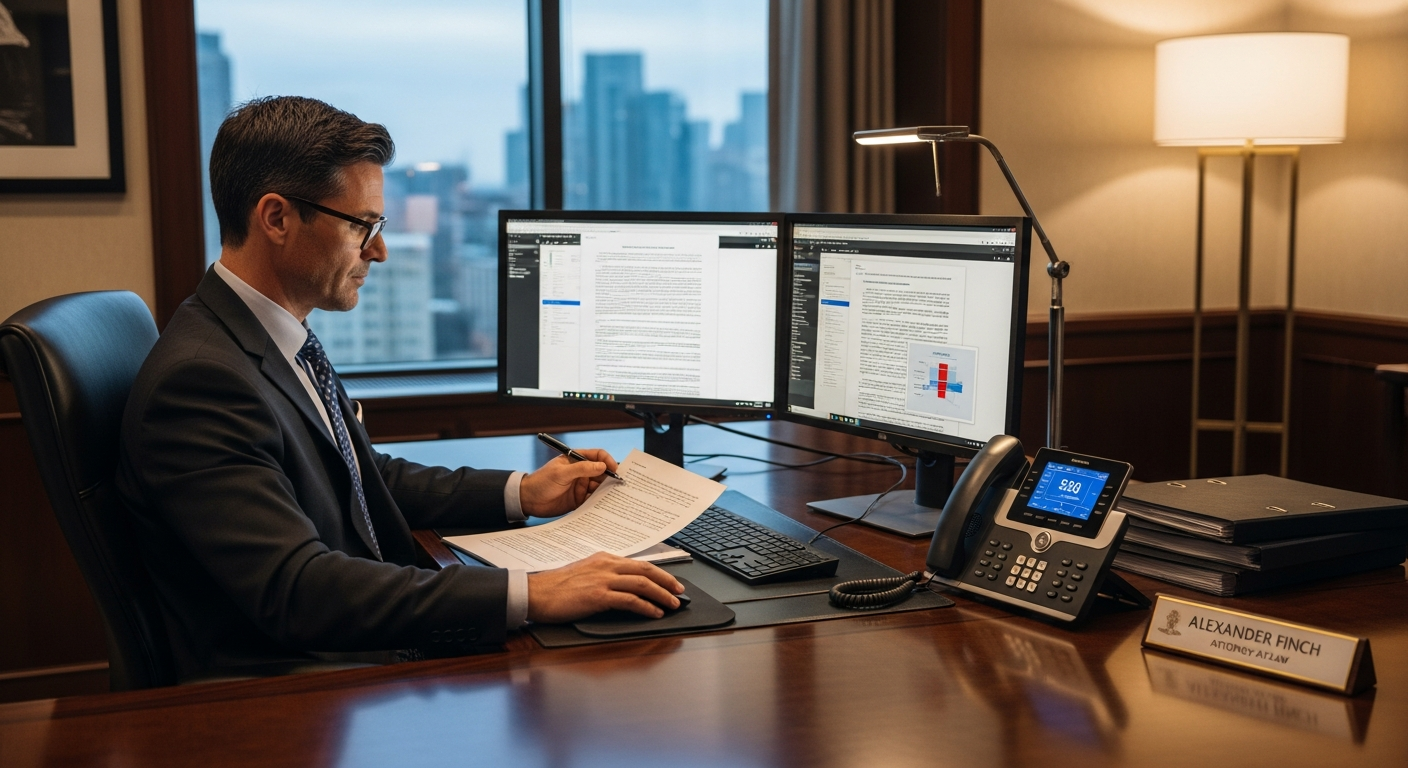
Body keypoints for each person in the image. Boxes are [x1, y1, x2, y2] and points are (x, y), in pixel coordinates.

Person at [116, 96, 682, 679]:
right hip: (297, 693)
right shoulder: (203, 382)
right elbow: (299, 591)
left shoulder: (269, 334)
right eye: (363, 225)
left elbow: (358, 476)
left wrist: (524, 493)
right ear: (277, 218)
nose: (379, 250)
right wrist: (534, 592)